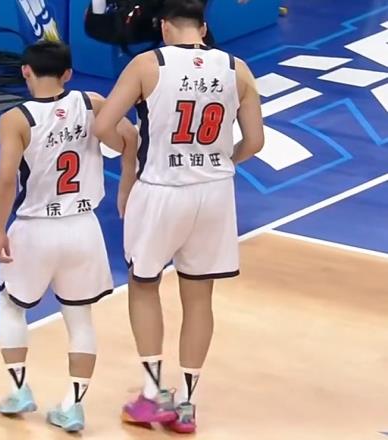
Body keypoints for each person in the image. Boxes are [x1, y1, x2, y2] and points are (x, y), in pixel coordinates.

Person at [94, 0, 264, 433]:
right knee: (199, 296)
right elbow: (255, 141)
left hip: (161, 190)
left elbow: (103, 126)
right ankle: (187, 405)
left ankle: (153, 395)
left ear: (165, 28)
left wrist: (129, 161)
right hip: (214, 194)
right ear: (203, 29)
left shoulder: (146, 64)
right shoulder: (238, 68)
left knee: (144, 285)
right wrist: (222, 164)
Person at [0, 40, 136, 433]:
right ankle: (73, 406)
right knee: (80, 319)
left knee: (11, 306)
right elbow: (130, 138)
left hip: (35, 227)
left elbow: (6, 179)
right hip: (83, 227)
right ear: (68, 74)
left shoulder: (15, 119)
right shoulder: (92, 103)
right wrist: (126, 179)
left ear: (25, 71)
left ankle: (18, 390)